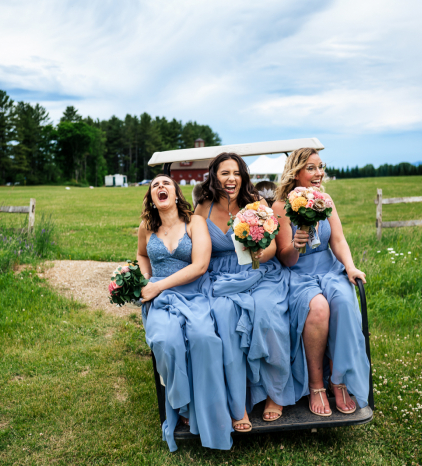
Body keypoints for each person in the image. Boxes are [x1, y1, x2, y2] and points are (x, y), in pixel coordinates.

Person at [194, 153, 295, 432]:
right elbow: (192, 244)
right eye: (225, 173)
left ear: (243, 176)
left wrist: (260, 253)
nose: (231, 179)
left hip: (258, 271)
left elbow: (273, 246)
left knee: (267, 313)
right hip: (220, 277)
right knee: (223, 319)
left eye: (236, 173)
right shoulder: (203, 207)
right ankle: (237, 404)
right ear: (214, 176)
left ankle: (276, 393)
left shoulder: (257, 203)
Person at [137, 174, 232, 451]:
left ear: (177, 194)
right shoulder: (146, 226)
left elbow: (200, 266)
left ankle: (207, 409)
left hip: (194, 294)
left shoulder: (195, 223)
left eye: (166, 183)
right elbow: (142, 255)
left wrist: (158, 286)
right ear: (152, 199)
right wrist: (146, 280)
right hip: (159, 298)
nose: (161, 187)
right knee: (167, 342)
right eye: (155, 185)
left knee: (204, 339)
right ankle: (184, 405)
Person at [273, 147, 370, 416]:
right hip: (298, 273)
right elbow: (285, 258)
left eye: (320, 167)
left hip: (329, 268)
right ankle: (316, 384)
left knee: (342, 301)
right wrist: (295, 244)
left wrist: (350, 267)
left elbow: (337, 240)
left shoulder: (325, 200)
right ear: (296, 173)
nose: (319, 173)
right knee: (318, 309)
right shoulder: (280, 207)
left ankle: (338, 381)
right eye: (312, 168)